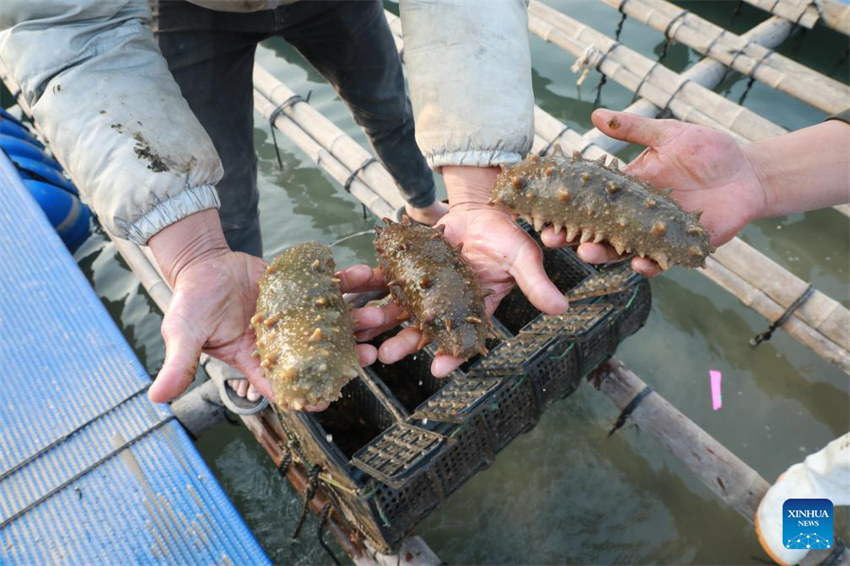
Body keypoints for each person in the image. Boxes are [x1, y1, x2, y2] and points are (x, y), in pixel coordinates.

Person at [0, 0, 569, 407]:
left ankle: (427, 204)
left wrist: (472, 190)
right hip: (184, 10)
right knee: (224, 192)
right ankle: (227, 299)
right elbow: (60, 23)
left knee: (388, 107)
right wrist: (192, 248)